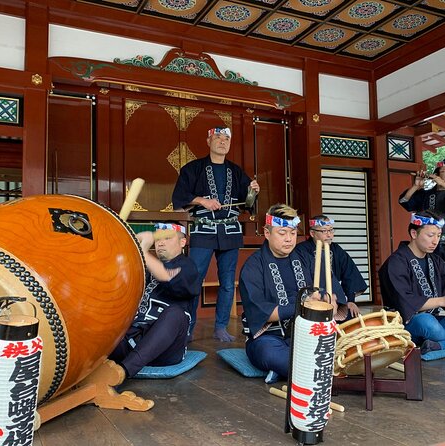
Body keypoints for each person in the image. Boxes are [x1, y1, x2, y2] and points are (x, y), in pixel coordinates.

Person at [172, 127, 260, 342]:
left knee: (228, 282)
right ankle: (189, 327)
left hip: (230, 231)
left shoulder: (236, 171)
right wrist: (202, 200)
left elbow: (248, 203)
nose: (222, 142)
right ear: (208, 140)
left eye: (226, 138)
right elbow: (180, 196)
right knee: (195, 279)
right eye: (218, 138)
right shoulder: (193, 168)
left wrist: (253, 191)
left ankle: (220, 327)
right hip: (203, 229)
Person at [239, 204, 346, 379]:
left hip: (308, 334)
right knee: (268, 353)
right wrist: (304, 305)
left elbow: (329, 291)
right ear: (267, 233)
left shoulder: (306, 258)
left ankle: (290, 371)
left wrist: (328, 301)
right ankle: (301, 369)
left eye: (293, 233)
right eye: (282, 233)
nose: (289, 239)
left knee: (345, 343)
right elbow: (264, 313)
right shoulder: (253, 266)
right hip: (270, 338)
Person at [379, 211, 445, 354]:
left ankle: (440, 346)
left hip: (436, 320)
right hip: (405, 324)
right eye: (430, 235)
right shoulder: (396, 262)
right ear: (414, 233)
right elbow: (405, 302)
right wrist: (442, 301)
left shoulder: (436, 261)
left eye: (438, 235)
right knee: (426, 321)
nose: (435, 241)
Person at [109, 223, 200, 378]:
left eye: (167, 238)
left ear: (182, 242)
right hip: (133, 339)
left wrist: (142, 250)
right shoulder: (145, 267)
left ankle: (123, 372)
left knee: (176, 314)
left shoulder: (187, 266)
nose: (161, 243)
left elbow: (166, 276)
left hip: (166, 350)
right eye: (157, 239)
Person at [399, 159, 445, 280]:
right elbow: (405, 202)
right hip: (430, 245)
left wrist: (443, 184)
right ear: (436, 175)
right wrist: (416, 186)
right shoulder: (426, 195)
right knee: (432, 277)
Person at [295, 214, 368, 321]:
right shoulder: (301, 251)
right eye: (324, 231)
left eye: (331, 230)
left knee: (351, 317)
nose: (329, 235)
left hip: (335, 298)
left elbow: (350, 274)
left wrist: (351, 301)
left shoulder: (336, 250)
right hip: (312, 299)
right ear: (312, 233)